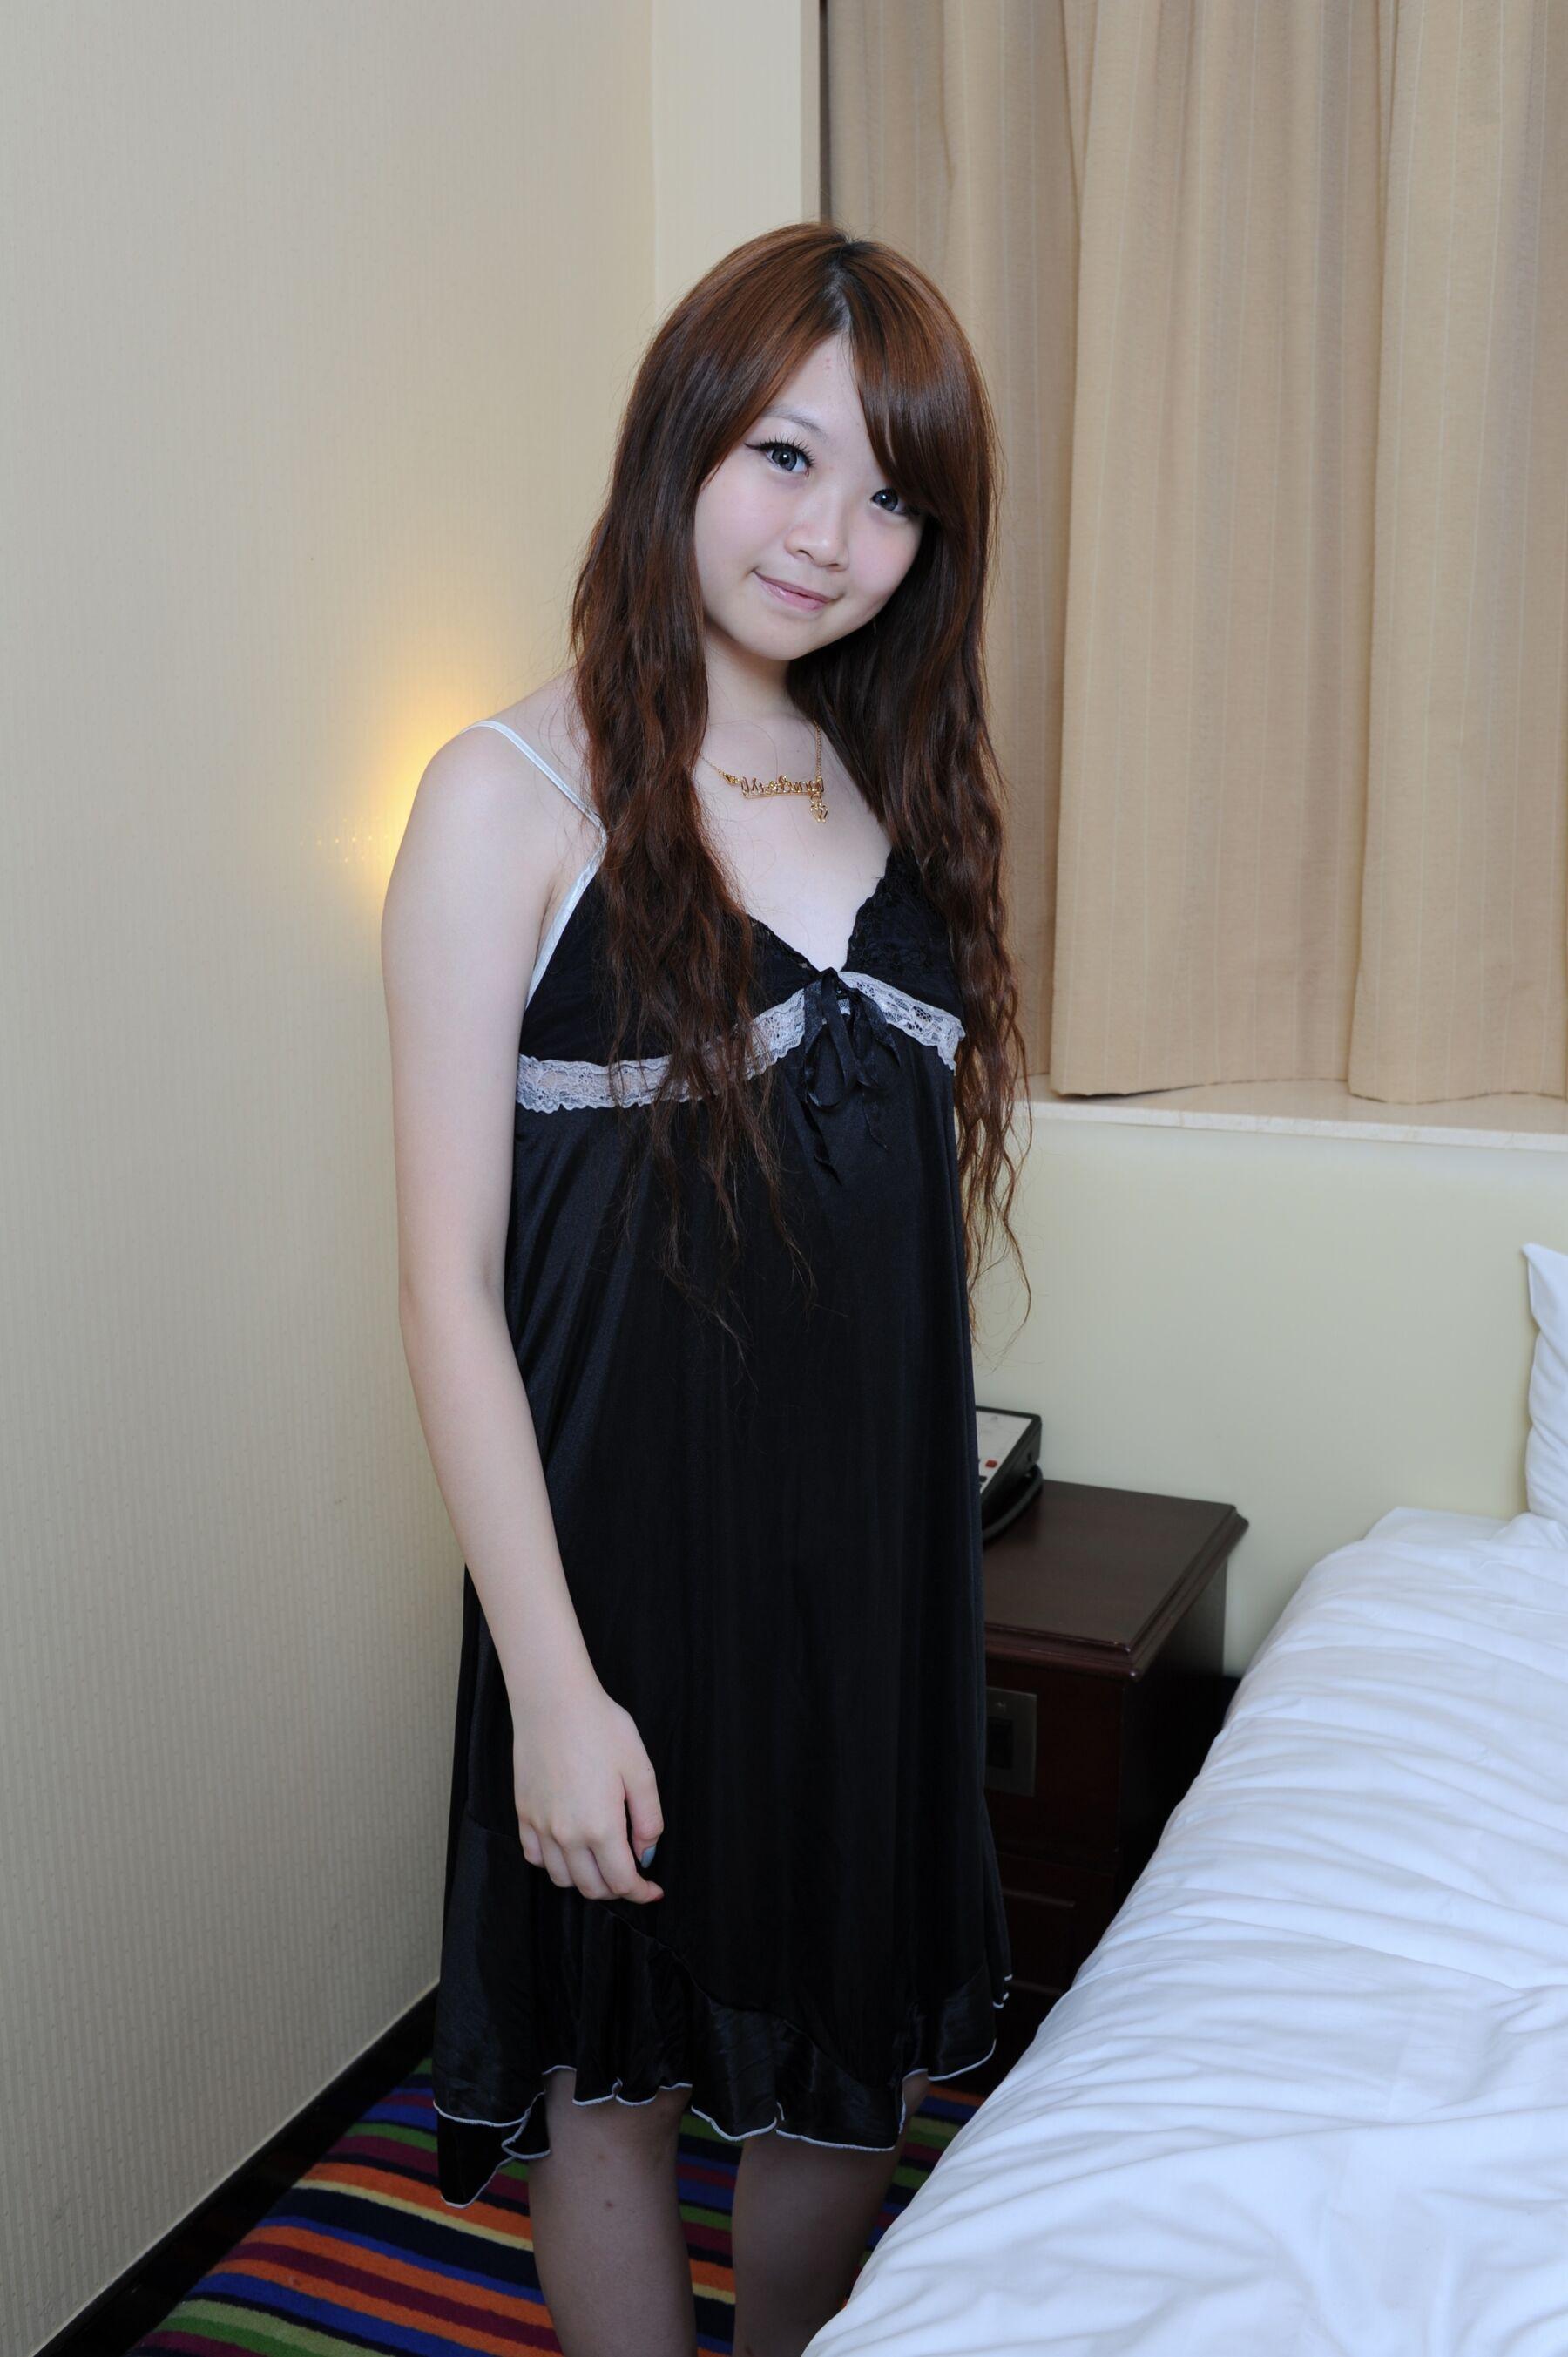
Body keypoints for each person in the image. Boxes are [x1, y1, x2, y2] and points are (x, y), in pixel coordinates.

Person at [381, 220, 1033, 2357]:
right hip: (623, 1593)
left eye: (892, 495)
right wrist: (552, 1692)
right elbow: (448, 1291)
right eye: (786, 456)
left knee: (849, 2098)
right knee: (620, 2097)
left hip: (875, 1588)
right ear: (679, 436)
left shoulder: (886, 781)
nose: (832, 537)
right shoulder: (504, 799)